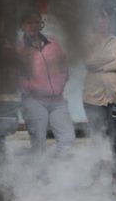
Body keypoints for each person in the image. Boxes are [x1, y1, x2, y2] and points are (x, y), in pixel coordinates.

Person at [16, 11, 74, 157]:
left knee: (67, 138)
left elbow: (63, 64)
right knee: (38, 143)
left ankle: (59, 173)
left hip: (58, 100)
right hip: (34, 101)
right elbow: (15, 75)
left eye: (36, 22)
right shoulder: (18, 48)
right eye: (29, 22)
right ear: (22, 25)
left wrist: (61, 81)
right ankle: (38, 177)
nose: (33, 26)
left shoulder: (53, 42)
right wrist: (32, 88)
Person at [82, 9, 116, 175]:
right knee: (96, 138)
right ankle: (96, 176)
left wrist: (103, 66)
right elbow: (88, 61)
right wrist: (112, 58)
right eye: (98, 18)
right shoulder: (86, 42)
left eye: (105, 18)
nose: (102, 22)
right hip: (92, 98)